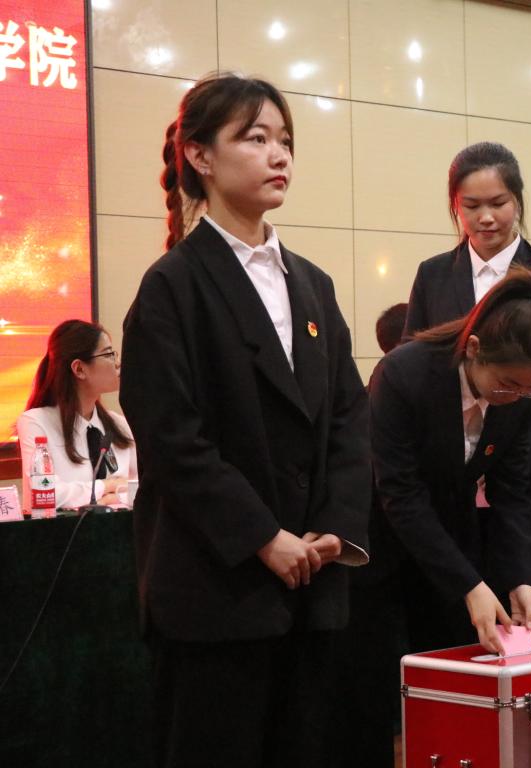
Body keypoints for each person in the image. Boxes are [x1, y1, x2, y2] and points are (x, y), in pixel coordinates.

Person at [119, 73, 371, 767]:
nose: (278, 155)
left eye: (284, 140)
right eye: (255, 138)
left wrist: (335, 527)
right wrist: (263, 537)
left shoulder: (312, 283)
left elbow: (349, 417)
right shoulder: (172, 286)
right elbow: (173, 441)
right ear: (200, 155)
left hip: (312, 583)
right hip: (217, 592)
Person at [402, 142, 531, 613]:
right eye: (471, 206)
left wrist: (511, 453)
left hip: (526, 479)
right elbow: (415, 369)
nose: (486, 217)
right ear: (455, 206)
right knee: (450, 607)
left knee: (526, 601)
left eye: (498, 203)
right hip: (449, 478)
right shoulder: (433, 274)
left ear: (518, 201)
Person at [372, 267, 531, 655]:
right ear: (474, 348)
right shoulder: (403, 374)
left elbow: (512, 490)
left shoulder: (519, 395)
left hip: (454, 540)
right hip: (384, 543)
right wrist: (468, 585)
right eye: (508, 384)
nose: (518, 396)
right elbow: (401, 494)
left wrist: (520, 579)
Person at [17, 319, 136, 509]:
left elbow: (142, 490)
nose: (118, 363)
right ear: (79, 369)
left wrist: (109, 500)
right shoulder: (36, 422)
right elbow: (45, 494)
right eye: (109, 354)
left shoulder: (120, 424)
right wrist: (107, 486)